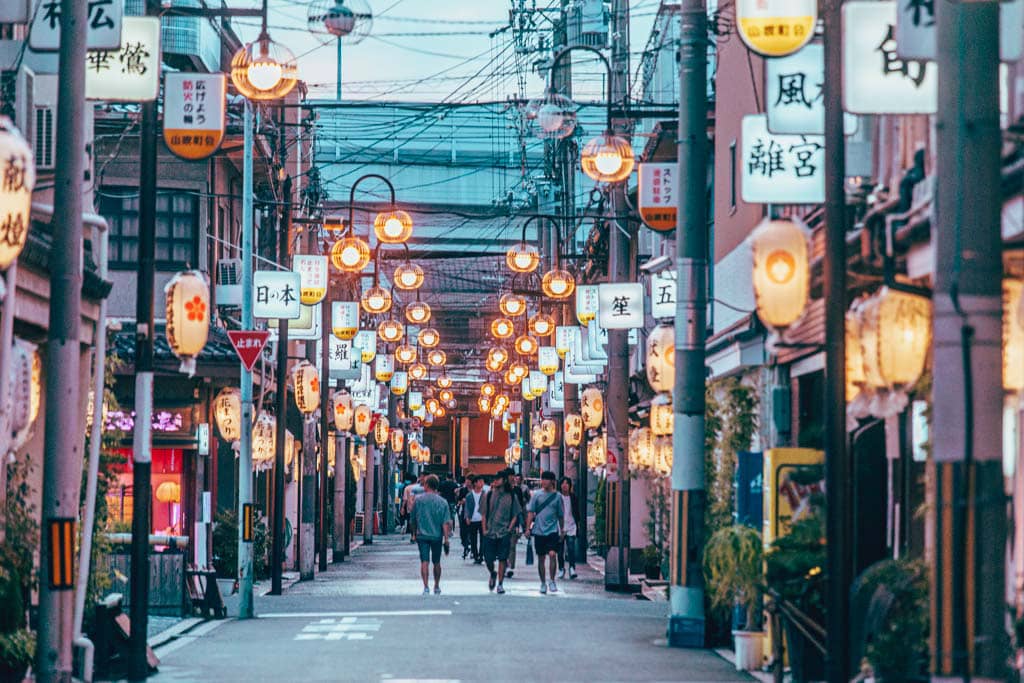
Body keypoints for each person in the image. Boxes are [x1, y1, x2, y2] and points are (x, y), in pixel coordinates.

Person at [479, 468, 522, 594]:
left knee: (503, 558)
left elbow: (515, 513)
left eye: (498, 479)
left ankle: (500, 583)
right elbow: (483, 514)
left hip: (504, 532)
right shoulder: (489, 495)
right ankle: (493, 572)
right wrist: (484, 529)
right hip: (490, 532)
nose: (495, 481)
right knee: (488, 559)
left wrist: (510, 528)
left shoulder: (512, 496)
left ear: (503, 480)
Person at [410, 474, 451, 595]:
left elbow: (413, 520)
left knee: (424, 561)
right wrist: (446, 539)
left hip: (422, 535)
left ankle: (426, 586)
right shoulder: (443, 502)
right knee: (436, 562)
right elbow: (445, 522)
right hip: (437, 536)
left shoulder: (418, 500)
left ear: (426, 485)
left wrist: (413, 534)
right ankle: (437, 586)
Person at [525, 470, 564, 594]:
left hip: (552, 531)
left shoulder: (558, 497)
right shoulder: (536, 495)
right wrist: (527, 528)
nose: (544, 482)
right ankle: (543, 583)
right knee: (541, 558)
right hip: (539, 531)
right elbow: (531, 512)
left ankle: (552, 580)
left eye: (546, 479)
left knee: (553, 554)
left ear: (552, 481)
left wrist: (562, 530)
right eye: (543, 479)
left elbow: (560, 515)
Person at [504, 471, 529, 579]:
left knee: (512, 545)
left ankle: (510, 566)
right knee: (504, 545)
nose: (513, 478)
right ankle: (505, 565)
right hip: (502, 522)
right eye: (511, 476)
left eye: (513, 476)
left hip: (514, 521)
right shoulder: (500, 490)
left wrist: (523, 524)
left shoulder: (518, 490)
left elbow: (521, 508)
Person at [557, 476, 579, 580]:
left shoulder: (573, 497)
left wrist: (577, 525)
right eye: (563, 483)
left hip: (571, 525)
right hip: (559, 526)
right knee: (560, 550)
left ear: (570, 486)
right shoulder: (557, 497)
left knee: (571, 548)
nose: (565, 485)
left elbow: (577, 512)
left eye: (567, 483)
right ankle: (561, 568)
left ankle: (572, 568)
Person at [461, 475, 485, 563]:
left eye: (483, 481)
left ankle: (481, 555)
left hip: (483, 519)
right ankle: (475, 555)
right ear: (475, 483)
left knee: (483, 538)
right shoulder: (469, 495)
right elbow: (466, 507)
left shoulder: (485, 494)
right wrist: (467, 517)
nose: (482, 483)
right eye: (480, 481)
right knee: (473, 538)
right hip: (473, 518)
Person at [401, 472, 426, 541]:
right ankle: (418, 534)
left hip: (410, 507)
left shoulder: (407, 488)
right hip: (421, 508)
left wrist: (403, 508)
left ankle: (413, 535)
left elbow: (405, 499)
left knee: (412, 521)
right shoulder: (421, 487)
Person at [455, 474, 473, 559]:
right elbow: (459, 500)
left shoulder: (475, 490)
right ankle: (466, 545)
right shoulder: (463, 490)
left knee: (471, 532)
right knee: (463, 532)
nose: (467, 482)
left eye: (468, 480)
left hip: (473, 514)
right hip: (464, 512)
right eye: (466, 480)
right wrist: (461, 501)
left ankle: (471, 549)